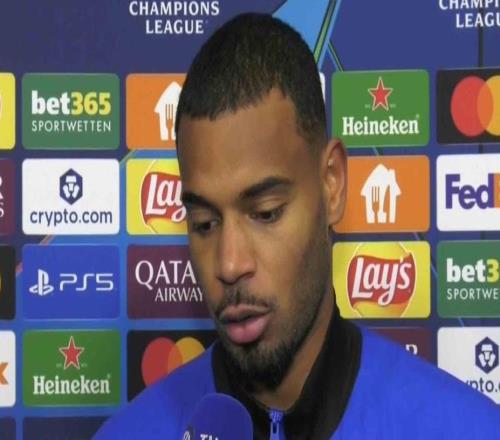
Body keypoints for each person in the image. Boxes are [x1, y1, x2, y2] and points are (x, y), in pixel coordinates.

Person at [95, 13, 500, 439]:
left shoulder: (469, 429)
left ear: (332, 186)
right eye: (204, 223)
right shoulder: (129, 434)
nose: (229, 264)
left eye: (266, 212)